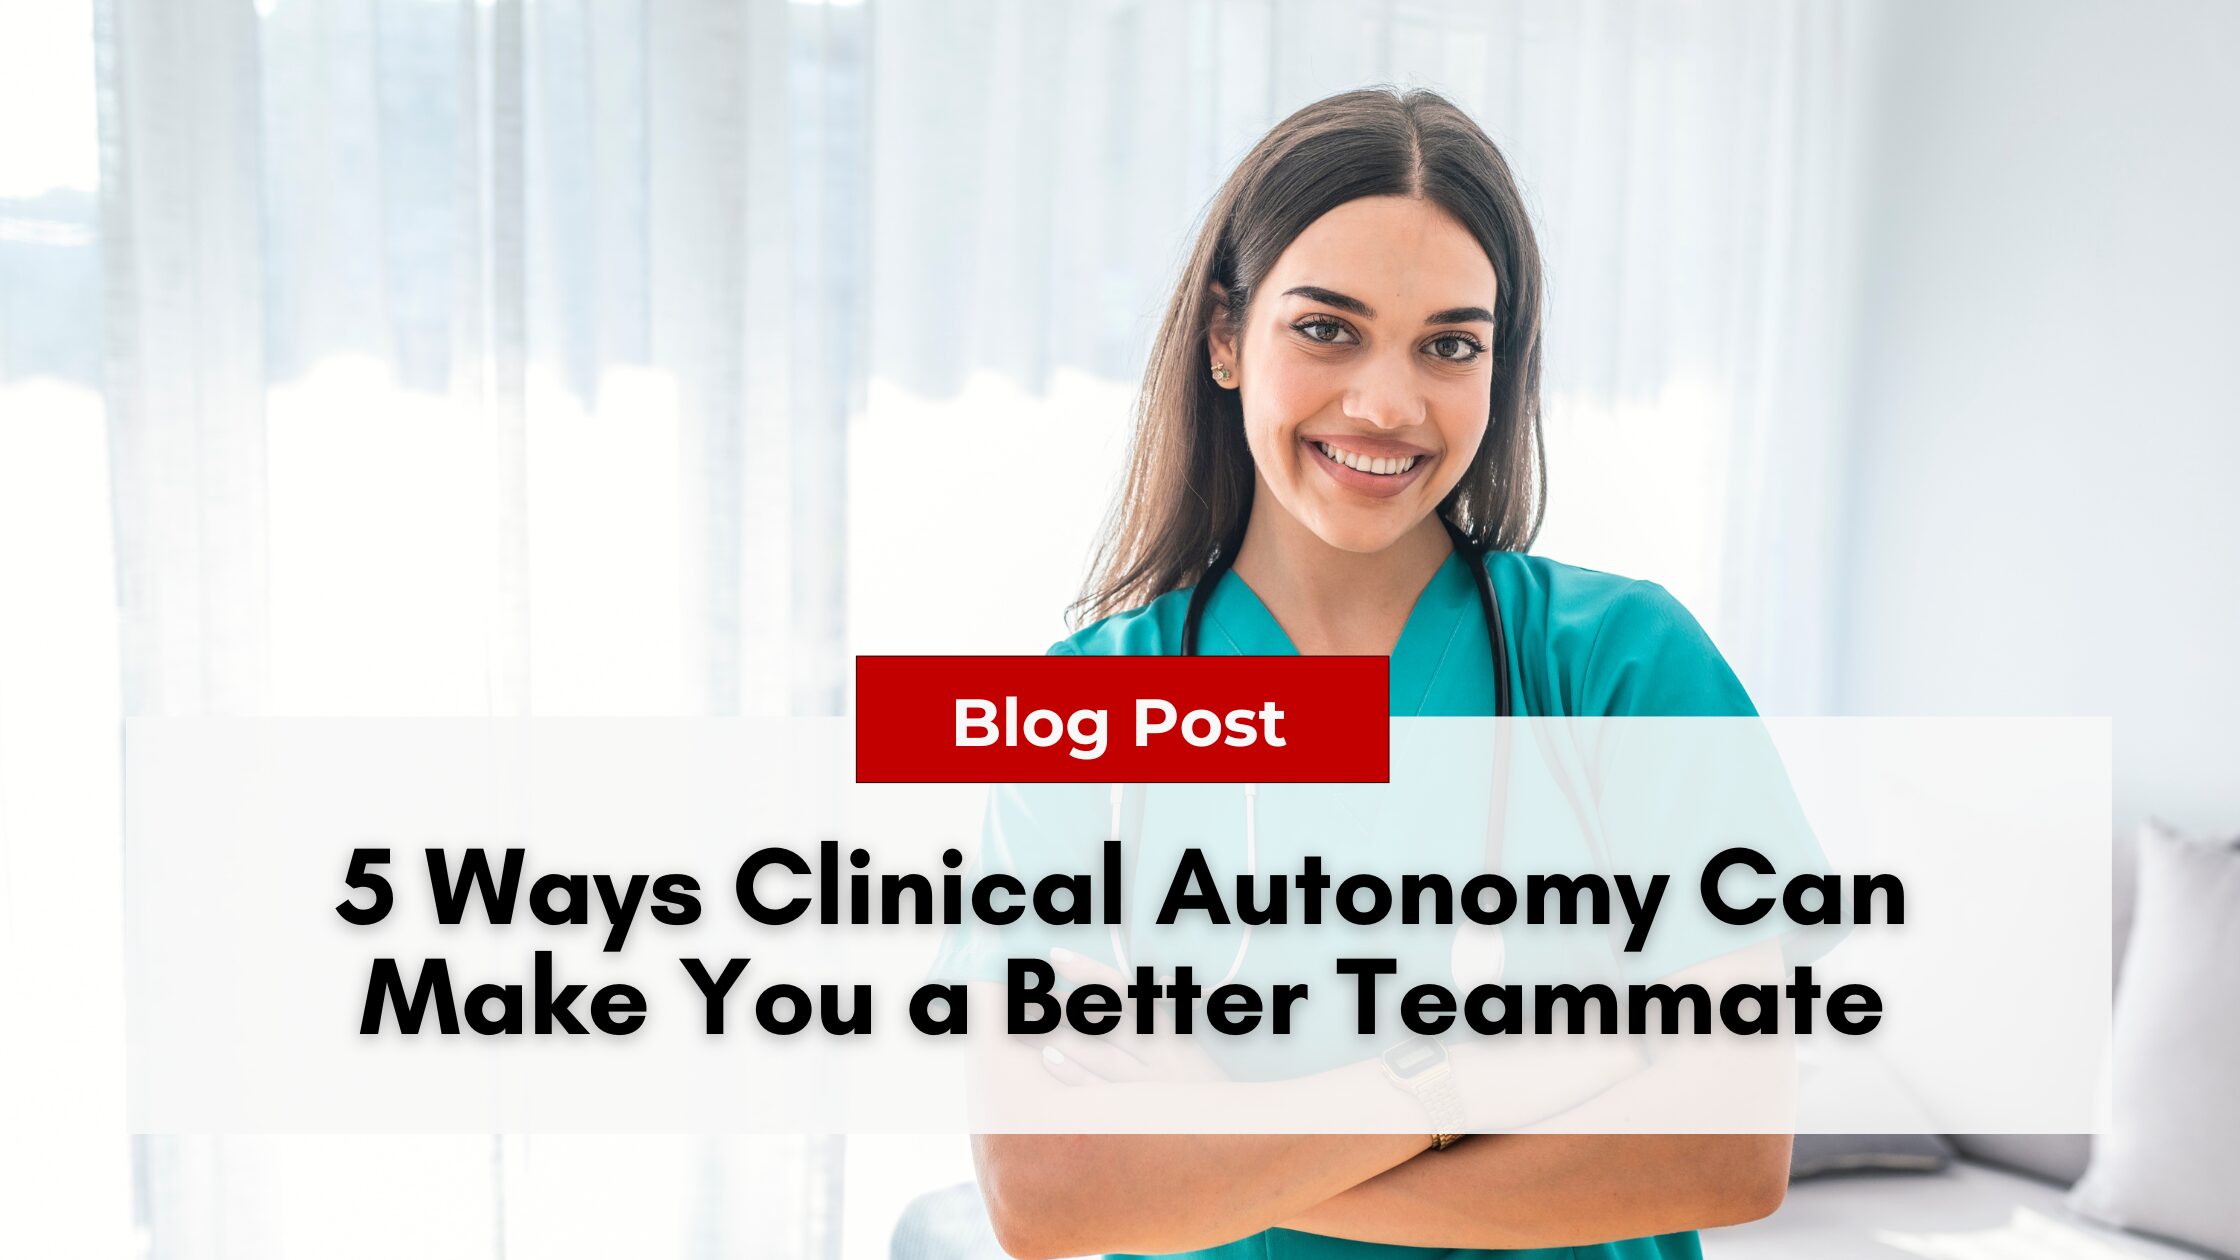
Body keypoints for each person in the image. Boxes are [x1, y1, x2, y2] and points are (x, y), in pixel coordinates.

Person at [965, 86, 1794, 1259]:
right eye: (1325, 328)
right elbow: (1048, 1202)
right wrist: (1467, 1081)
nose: (1386, 403)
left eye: (1448, 344)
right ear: (1221, 338)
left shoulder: (1624, 666)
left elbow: (1725, 1149)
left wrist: (1206, 1148)